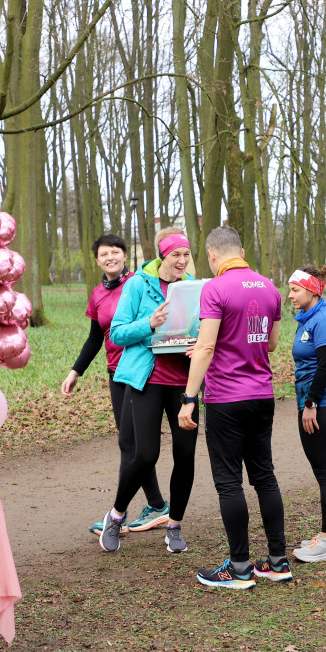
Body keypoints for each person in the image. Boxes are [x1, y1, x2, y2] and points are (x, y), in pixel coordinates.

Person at [177, 226, 288, 590]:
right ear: (241, 250)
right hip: (262, 395)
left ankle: (240, 569)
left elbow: (206, 347)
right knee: (265, 476)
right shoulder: (270, 286)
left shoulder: (215, 287)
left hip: (226, 398)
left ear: (211, 255)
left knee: (229, 483)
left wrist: (189, 397)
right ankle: (277, 561)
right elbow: (269, 344)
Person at [97, 227, 198, 554]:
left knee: (185, 456)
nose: (182, 260)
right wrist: (150, 324)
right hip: (148, 379)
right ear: (162, 256)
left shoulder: (193, 286)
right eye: (175, 255)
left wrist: (199, 343)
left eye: (186, 254)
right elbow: (117, 333)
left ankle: (174, 525)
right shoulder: (139, 284)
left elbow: (205, 326)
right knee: (146, 454)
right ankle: (116, 514)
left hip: (185, 381)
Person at [61, 235, 168, 536]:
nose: (110, 257)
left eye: (116, 252)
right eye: (104, 254)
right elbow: (96, 338)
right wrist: (75, 371)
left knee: (128, 445)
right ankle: (158, 505)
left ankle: (117, 517)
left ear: (125, 256)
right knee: (132, 443)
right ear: (97, 260)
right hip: (115, 373)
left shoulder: (140, 284)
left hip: (140, 370)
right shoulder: (97, 293)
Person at [286, 265, 326, 563]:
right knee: (324, 473)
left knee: (325, 474)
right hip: (313, 403)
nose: (290, 296)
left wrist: (310, 405)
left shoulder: (323, 320)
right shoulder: (309, 318)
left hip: (322, 404)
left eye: (295, 290)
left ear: (312, 290)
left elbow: (324, 367)